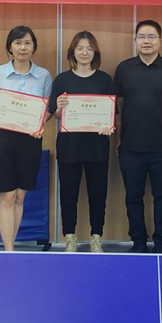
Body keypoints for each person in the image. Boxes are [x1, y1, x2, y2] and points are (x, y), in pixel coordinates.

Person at [114, 20, 162, 254]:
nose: (146, 41)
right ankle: (138, 242)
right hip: (130, 147)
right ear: (135, 40)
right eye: (142, 36)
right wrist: (120, 140)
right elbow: (119, 105)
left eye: (151, 36)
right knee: (133, 197)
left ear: (160, 41)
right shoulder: (124, 69)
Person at [0, 25, 53, 252]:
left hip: (30, 140)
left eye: (27, 43)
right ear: (10, 47)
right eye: (18, 43)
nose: (23, 47)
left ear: (34, 47)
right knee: (7, 196)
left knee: (20, 196)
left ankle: (10, 244)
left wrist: (40, 125)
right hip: (2, 138)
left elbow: (47, 110)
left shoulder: (44, 76)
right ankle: (9, 250)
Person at [49, 31, 115, 253]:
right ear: (73, 52)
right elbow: (55, 115)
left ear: (95, 52)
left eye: (89, 48)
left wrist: (108, 127)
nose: (84, 52)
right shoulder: (62, 79)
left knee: (98, 195)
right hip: (69, 147)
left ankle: (97, 237)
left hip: (98, 147)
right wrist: (60, 107)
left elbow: (112, 115)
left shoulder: (105, 79)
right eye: (80, 48)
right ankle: (70, 238)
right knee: (69, 195)